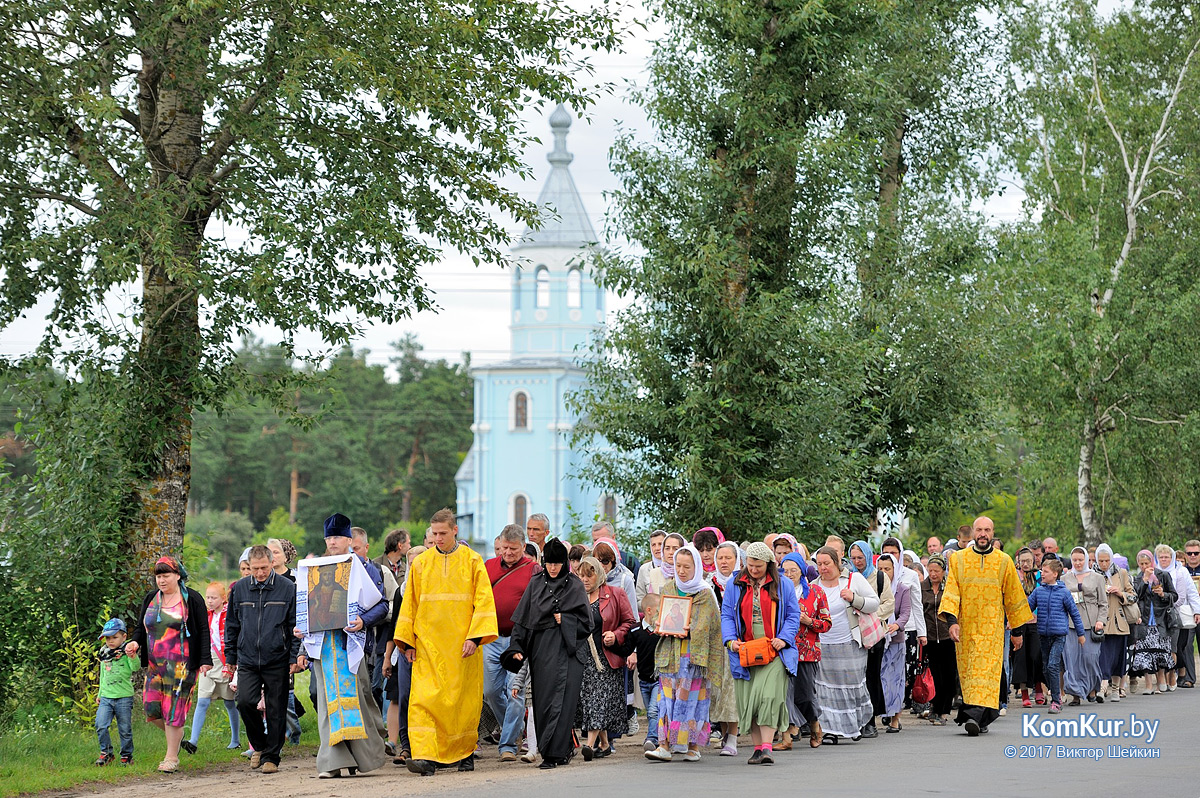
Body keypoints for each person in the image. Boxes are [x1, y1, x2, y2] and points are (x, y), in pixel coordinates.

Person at [395, 508, 499, 776]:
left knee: (460, 704)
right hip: (428, 647)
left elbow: (484, 603)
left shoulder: (473, 561)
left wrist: (475, 639)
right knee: (423, 701)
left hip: (462, 648)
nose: (438, 538)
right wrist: (408, 643)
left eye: (443, 533)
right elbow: (410, 606)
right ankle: (426, 757)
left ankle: (464, 754)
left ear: (455, 530)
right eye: (434, 534)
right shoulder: (420, 564)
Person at [299, 516, 389, 779]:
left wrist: (362, 621)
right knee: (328, 703)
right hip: (322, 645)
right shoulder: (312, 568)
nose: (332, 542)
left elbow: (381, 605)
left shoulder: (361, 567)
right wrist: (301, 628)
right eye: (329, 538)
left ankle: (364, 757)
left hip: (350, 644)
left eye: (337, 537)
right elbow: (306, 607)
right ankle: (332, 762)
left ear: (350, 540)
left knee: (357, 700)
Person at [937, 516, 1033, 736]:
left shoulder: (1004, 561)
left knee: (987, 673)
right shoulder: (958, 560)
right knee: (971, 673)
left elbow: (1013, 598)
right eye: (979, 530)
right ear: (973, 532)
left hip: (993, 629)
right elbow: (952, 591)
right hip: (966, 627)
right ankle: (979, 718)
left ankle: (974, 716)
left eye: (987, 530)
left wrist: (1017, 632)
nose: (983, 534)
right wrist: (952, 622)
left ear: (992, 532)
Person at [501, 538, 591, 769]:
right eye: (549, 563)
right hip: (542, 649)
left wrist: (566, 619)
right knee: (542, 701)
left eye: (557, 564)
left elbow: (587, 622)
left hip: (568, 650)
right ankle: (550, 750)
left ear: (564, 563)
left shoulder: (575, 585)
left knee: (563, 702)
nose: (552, 568)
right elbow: (523, 619)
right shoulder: (536, 583)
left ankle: (555, 754)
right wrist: (517, 648)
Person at [643, 545, 726, 763]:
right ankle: (664, 746)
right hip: (670, 656)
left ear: (696, 567)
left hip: (694, 659)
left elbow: (711, 626)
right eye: (677, 565)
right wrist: (660, 624)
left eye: (686, 567)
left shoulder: (705, 593)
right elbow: (662, 616)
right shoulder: (669, 588)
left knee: (693, 701)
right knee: (666, 700)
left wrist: (691, 627)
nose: (681, 570)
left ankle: (693, 746)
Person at [721, 541, 800, 765]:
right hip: (744, 651)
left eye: (759, 566)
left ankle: (767, 748)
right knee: (750, 702)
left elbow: (793, 615)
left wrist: (784, 639)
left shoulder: (782, 584)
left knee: (769, 697)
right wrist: (730, 641)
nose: (754, 570)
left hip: (774, 651)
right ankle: (757, 749)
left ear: (768, 564)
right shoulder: (735, 583)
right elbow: (726, 614)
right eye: (750, 565)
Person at [134, 556, 212, 773]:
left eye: (166, 575)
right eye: (158, 576)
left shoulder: (192, 599)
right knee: (151, 710)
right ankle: (176, 733)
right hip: (155, 666)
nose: (161, 580)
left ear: (178, 576)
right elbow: (141, 627)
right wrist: (134, 642)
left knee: (173, 710)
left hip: (182, 666)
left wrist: (205, 660)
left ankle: (171, 758)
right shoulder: (151, 598)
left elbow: (203, 630)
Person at [226, 545, 300, 775]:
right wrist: (231, 656)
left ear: (272, 564)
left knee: (276, 708)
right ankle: (259, 745)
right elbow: (232, 625)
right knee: (245, 702)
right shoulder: (239, 589)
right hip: (247, 657)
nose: (259, 573)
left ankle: (271, 757)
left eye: (263, 568)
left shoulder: (287, 588)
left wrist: (294, 656)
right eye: (254, 568)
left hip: (277, 657)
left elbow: (294, 625)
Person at [483, 524, 538, 762]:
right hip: (491, 638)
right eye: (504, 548)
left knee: (514, 692)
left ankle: (507, 745)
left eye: (513, 549)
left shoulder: (533, 569)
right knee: (491, 692)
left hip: (519, 641)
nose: (507, 553)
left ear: (523, 547)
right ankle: (514, 730)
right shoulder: (488, 566)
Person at [811, 546, 876, 742]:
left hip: (849, 644)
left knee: (851, 686)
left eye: (827, 563)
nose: (823, 568)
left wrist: (854, 598)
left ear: (837, 563)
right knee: (826, 689)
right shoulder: (814, 585)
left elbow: (874, 603)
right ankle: (831, 730)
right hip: (823, 644)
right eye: (819, 564)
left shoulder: (853, 579)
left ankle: (854, 726)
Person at [574, 556, 635, 760]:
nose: (585, 579)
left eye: (589, 575)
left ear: (599, 575)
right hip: (583, 657)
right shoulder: (576, 596)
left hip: (605, 658)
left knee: (597, 700)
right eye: (581, 575)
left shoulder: (615, 594)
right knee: (589, 701)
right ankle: (605, 744)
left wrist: (615, 635)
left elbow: (629, 621)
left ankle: (589, 745)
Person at [780, 552, 830, 748]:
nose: (790, 574)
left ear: (802, 570)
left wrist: (809, 621)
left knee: (805, 695)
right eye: (786, 570)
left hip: (807, 652)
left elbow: (826, 624)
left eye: (794, 570)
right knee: (783, 695)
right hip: (783, 649)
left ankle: (815, 724)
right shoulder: (777, 591)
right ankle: (787, 736)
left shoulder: (816, 592)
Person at [186, 582, 240, 753]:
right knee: (202, 700)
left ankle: (235, 739)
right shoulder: (206, 616)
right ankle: (193, 741)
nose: (209, 601)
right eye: (207, 597)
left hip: (225, 661)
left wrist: (233, 662)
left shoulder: (229, 615)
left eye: (213, 597)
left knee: (230, 702)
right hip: (208, 661)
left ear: (223, 599)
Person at [1026, 557, 1084, 714]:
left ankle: (1056, 700)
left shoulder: (1064, 592)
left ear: (1055, 574)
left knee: (1053, 665)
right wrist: (1014, 620)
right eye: (1041, 571)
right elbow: (1026, 608)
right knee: (1046, 668)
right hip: (1043, 635)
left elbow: (1074, 613)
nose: (1041, 574)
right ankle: (1055, 692)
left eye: (1045, 571)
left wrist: (1081, 634)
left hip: (1059, 635)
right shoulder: (1039, 591)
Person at [848, 539, 893, 739]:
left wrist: (871, 615)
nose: (857, 562)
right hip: (854, 634)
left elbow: (888, 603)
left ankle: (870, 720)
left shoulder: (880, 577)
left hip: (875, 634)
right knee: (856, 678)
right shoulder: (848, 577)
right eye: (854, 558)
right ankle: (855, 719)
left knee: (872, 677)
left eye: (861, 557)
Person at [1061, 546, 1107, 705]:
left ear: (1086, 560)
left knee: (1090, 657)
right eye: (1075, 560)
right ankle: (1075, 694)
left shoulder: (1097, 578)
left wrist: (1101, 620)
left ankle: (1093, 688)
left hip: (1091, 624)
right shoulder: (1065, 578)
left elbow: (1103, 603)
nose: (1078, 563)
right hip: (1071, 624)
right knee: (1072, 659)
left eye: (1081, 560)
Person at [1130, 550, 1178, 694]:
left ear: (1152, 562)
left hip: (1160, 619)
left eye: (1147, 563)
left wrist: (1163, 594)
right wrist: (1145, 581)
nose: (1145, 566)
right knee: (1144, 652)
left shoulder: (1162, 575)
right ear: (1138, 564)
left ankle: (1161, 678)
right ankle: (1149, 684)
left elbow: (1174, 596)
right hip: (1144, 620)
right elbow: (1136, 596)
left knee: (1161, 650)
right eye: (1142, 564)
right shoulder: (1137, 578)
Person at [1155, 543, 1200, 691]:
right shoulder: (1153, 572)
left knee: (1179, 646)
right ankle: (1166, 678)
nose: (1164, 560)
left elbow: (1191, 593)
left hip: (1178, 614)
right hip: (1157, 616)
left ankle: (1179, 675)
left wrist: (1197, 611)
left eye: (1166, 557)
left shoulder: (1181, 572)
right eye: (1161, 557)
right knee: (1162, 647)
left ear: (1172, 557)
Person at [94, 619, 140, 766]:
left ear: (124, 637)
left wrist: (133, 657)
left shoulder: (127, 652)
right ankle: (106, 753)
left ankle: (127, 755)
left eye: (115, 637)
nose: (111, 641)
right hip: (107, 696)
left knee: (125, 729)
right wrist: (100, 693)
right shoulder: (104, 654)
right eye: (108, 638)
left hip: (124, 697)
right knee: (101, 725)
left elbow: (135, 668)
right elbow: (103, 676)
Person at [1095, 543, 1136, 702]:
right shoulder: (1092, 574)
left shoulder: (1121, 573)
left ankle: (1115, 690)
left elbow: (1133, 596)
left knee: (1119, 657)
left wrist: (1119, 593)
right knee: (1103, 656)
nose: (1104, 564)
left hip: (1119, 621)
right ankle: (1101, 687)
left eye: (1106, 560)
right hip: (1101, 621)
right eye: (1101, 561)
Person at [875, 554, 910, 732]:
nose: (884, 573)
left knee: (896, 678)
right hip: (877, 639)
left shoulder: (902, 589)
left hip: (896, 639)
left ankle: (896, 717)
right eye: (880, 569)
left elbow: (905, 613)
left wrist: (895, 625)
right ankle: (883, 710)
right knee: (880, 677)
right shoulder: (874, 587)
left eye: (887, 569)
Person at [921, 554, 957, 725]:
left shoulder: (950, 587)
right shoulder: (922, 587)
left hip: (947, 636)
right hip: (929, 637)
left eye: (937, 571)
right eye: (930, 571)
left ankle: (944, 710)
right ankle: (935, 708)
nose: (933, 574)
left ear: (944, 571)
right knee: (935, 675)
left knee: (949, 675)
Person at [628, 592, 663, 752]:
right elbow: (629, 646)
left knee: (653, 710)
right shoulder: (636, 629)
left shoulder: (662, 630)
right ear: (649, 610)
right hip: (644, 678)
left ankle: (652, 738)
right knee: (652, 713)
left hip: (659, 678)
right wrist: (630, 652)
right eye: (658, 609)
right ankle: (662, 736)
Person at [1010, 548, 1044, 708]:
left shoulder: (1039, 576)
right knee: (1021, 658)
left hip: (1037, 621)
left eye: (1028, 561)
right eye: (1022, 561)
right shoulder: (1015, 576)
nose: (1025, 564)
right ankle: (1024, 692)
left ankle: (1038, 688)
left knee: (1036, 655)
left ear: (1033, 561)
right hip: (1018, 622)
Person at [593, 538, 639, 622]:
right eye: (597, 561)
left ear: (614, 560)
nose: (601, 565)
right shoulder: (591, 579)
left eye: (605, 561)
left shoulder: (625, 580)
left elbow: (633, 615)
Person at [1180, 539, 1200, 688]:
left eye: (1196, 553)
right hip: (1188, 612)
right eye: (1189, 553)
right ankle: (1189, 678)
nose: (1193, 556)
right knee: (1187, 645)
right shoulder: (1182, 571)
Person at [636, 529, 669, 606]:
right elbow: (639, 599)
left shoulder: (676, 568)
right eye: (653, 545)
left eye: (660, 544)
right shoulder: (644, 569)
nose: (657, 548)